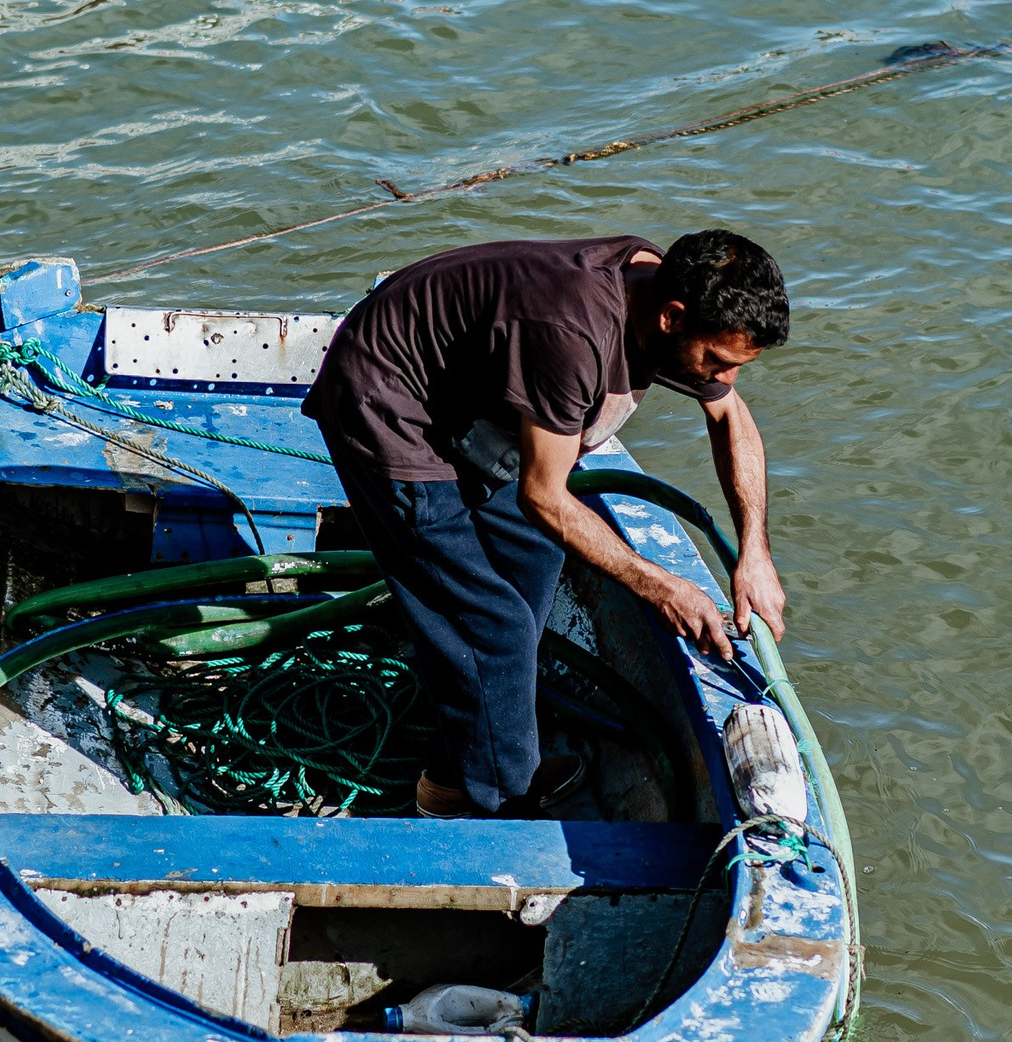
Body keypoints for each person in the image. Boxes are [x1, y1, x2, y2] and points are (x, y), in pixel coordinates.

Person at [300, 230, 790, 818]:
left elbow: (729, 417)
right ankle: (492, 801)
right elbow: (544, 495)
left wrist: (753, 553)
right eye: (716, 361)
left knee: (534, 563)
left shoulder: (671, 292)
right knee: (493, 622)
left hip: (476, 403)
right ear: (671, 318)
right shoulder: (573, 333)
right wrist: (662, 585)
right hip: (389, 403)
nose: (723, 378)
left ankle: (478, 739)